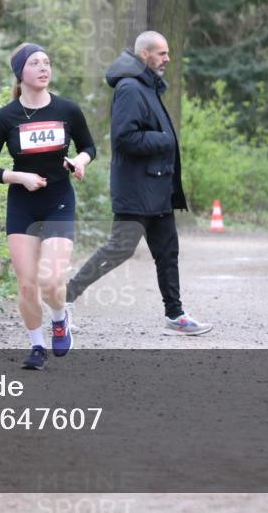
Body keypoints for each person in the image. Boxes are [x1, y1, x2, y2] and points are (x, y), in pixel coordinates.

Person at [64, 31, 213, 336]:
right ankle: (64, 298)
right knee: (119, 250)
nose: (167, 59)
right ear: (144, 55)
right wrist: (165, 139)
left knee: (168, 251)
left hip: (157, 189)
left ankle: (175, 314)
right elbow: (124, 138)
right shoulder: (130, 88)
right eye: (162, 53)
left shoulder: (147, 86)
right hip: (136, 191)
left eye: (168, 53)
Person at [0, 43, 95, 370]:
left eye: (46, 62)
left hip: (58, 199)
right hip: (22, 204)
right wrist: (19, 177)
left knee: (52, 280)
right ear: (20, 73)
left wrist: (80, 160)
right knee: (27, 284)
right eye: (34, 63)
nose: (43, 68)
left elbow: (88, 146)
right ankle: (37, 346)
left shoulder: (67, 110)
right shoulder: (5, 117)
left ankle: (60, 318)